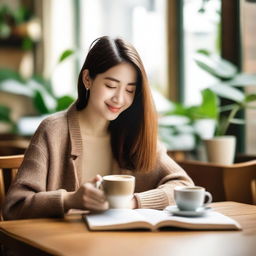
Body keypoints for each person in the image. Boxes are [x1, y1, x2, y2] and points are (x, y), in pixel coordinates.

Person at [3, 36, 193, 220]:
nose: (119, 99)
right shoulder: (53, 131)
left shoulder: (135, 133)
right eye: (111, 85)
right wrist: (70, 199)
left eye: (129, 90)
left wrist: (133, 202)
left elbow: (183, 185)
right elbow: (15, 205)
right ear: (88, 79)